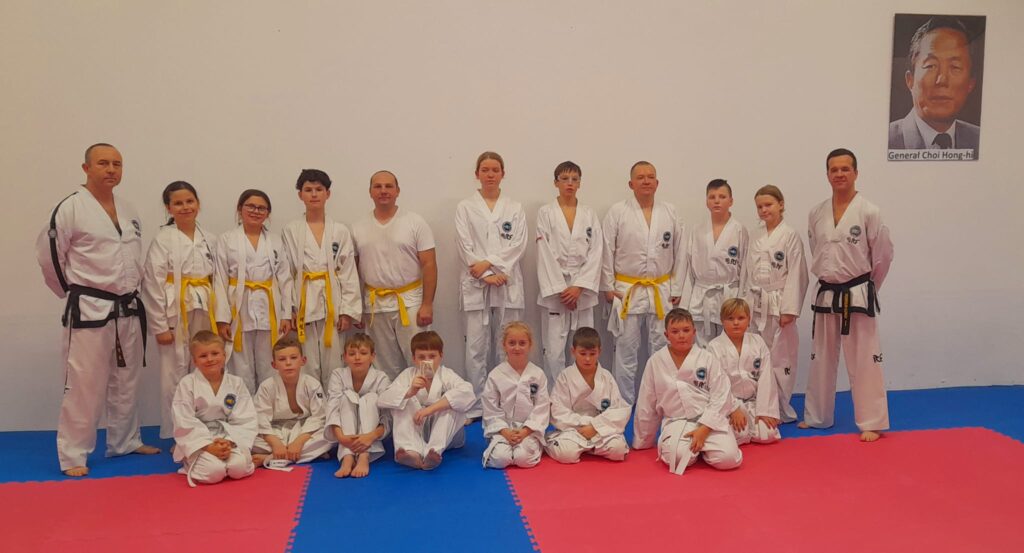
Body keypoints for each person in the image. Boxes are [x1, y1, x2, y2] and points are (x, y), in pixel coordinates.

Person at [36, 143, 160, 477]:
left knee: (127, 379)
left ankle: (125, 440)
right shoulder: (70, 208)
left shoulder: (128, 208)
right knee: (84, 383)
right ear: (86, 168)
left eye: (117, 164)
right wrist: (74, 292)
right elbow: (50, 258)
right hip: (90, 306)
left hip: (128, 306)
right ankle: (73, 454)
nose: (111, 169)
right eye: (103, 163)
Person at [800, 149, 894, 442]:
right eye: (834, 169)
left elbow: (883, 256)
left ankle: (872, 421)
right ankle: (817, 416)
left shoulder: (869, 211)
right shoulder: (816, 213)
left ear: (856, 173)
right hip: (827, 292)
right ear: (827, 174)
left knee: (865, 359)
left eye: (845, 169)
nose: (839, 174)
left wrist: (867, 287)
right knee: (820, 358)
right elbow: (817, 250)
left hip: (857, 292)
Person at [142, 181, 230, 439]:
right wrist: (159, 326)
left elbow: (220, 279)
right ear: (168, 208)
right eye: (178, 203)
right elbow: (152, 282)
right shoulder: (163, 239)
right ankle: (176, 432)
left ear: (198, 204)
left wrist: (222, 317)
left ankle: (206, 428)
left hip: (205, 306)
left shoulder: (210, 239)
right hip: (175, 310)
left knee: (206, 365)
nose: (185, 207)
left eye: (189, 201)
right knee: (174, 373)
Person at [601, 161, 685, 404]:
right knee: (625, 351)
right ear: (631, 184)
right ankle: (623, 403)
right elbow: (606, 249)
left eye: (650, 177)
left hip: (661, 288)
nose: (646, 181)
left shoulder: (670, 212)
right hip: (626, 290)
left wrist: (677, 287)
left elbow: (680, 251)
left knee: (662, 350)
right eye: (640, 177)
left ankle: (662, 402)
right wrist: (608, 286)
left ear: (657, 183)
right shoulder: (618, 212)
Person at [454, 152, 527, 419]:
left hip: (507, 282)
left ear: (503, 174)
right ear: (477, 174)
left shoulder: (514, 207)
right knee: (475, 347)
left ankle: (506, 403)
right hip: (476, 283)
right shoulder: (465, 207)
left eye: (495, 170)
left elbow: (518, 244)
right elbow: (463, 244)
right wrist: (484, 274)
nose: (490, 174)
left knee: (507, 344)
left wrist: (491, 265)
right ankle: (476, 404)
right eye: (485, 170)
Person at [632, 308, 741, 475]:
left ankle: (703, 447)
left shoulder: (707, 358)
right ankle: (699, 450)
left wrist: (704, 429)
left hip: (708, 421)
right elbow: (647, 402)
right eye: (675, 332)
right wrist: (642, 440)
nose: (681, 335)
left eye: (686, 330)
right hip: (677, 422)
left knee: (729, 459)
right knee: (677, 458)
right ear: (666, 335)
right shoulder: (655, 362)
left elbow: (721, 394)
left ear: (694, 332)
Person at [351, 170, 437, 380]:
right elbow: (353, 271)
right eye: (378, 186)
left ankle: (428, 396)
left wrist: (427, 304)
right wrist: (356, 308)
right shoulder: (357, 227)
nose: (383, 191)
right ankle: (389, 399)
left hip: (410, 301)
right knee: (383, 364)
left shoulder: (415, 222)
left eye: (389, 186)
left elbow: (429, 264)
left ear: (398, 191)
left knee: (422, 356)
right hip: (375, 305)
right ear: (370, 192)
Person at [281, 169, 362, 389]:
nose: (314, 194)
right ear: (300, 195)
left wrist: (347, 310)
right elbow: (286, 273)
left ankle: (335, 405)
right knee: (306, 362)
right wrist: (290, 308)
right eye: (308, 190)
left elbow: (348, 272)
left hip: (332, 302)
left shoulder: (340, 230)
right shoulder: (290, 230)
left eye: (319, 189)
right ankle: (311, 404)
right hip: (303, 301)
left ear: (328, 194)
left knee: (335, 361)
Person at [216, 189, 294, 395]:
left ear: (268, 213)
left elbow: (285, 279)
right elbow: (220, 279)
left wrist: (286, 314)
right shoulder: (227, 239)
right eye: (250, 206)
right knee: (240, 366)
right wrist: (222, 319)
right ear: (240, 209)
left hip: (269, 306)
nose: (256, 211)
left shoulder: (275, 241)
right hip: (238, 306)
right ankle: (244, 410)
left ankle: (269, 408)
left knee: (269, 364)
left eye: (261, 208)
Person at [745, 185, 808, 422]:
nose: (764, 210)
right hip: (756, 302)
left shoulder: (790, 235)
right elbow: (746, 272)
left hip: (780, 302)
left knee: (781, 357)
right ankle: (758, 405)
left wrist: (789, 309)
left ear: (781, 204)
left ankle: (780, 407)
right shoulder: (754, 235)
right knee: (756, 355)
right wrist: (744, 304)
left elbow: (797, 273)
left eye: (768, 205)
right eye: (759, 206)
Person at [535, 161, 603, 380]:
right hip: (556, 291)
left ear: (580, 183)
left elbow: (596, 251)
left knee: (585, 347)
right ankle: (555, 396)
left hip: (582, 291)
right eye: (564, 179)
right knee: (553, 351)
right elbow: (544, 253)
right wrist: (561, 289)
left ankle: (584, 392)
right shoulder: (546, 213)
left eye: (574, 179)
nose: (570, 183)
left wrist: (579, 287)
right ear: (556, 182)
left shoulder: (589, 214)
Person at [378, 331, 475, 470]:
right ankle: (410, 451)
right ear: (414, 358)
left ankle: (433, 451)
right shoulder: (408, 375)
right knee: (403, 401)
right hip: (416, 431)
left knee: (453, 404)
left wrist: (430, 409)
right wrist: (409, 392)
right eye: (421, 357)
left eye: (432, 356)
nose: (427, 361)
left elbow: (468, 393)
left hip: (445, 436)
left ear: (441, 356)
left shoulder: (446, 374)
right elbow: (382, 399)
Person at [171, 331, 257, 487]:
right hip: (199, 439)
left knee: (238, 468)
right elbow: (184, 420)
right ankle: (191, 462)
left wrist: (228, 442)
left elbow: (246, 417)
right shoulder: (187, 384)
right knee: (213, 472)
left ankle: (225, 454)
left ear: (224, 355)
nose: (210, 359)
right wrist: (208, 446)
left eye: (215, 353)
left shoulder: (236, 383)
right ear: (194, 361)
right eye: (203, 356)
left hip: (229, 435)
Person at [888, 17, 981, 156]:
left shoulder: (981, 140)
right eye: (931, 66)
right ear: (910, 80)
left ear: (970, 84)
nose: (942, 80)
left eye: (955, 67)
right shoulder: (887, 139)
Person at [545, 327, 630, 464]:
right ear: (573, 351)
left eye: (592, 353)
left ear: (599, 352)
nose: (588, 358)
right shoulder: (565, 376)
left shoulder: (606, 377)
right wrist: (584, 424)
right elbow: (558, 410)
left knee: (618, 450)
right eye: (583, 353)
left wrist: (595, 426)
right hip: (574, 429)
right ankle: (587, 448)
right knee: (567, 454)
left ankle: (588, 448)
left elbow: (617, 409)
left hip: (600, 429)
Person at [707, 299, 781, 445]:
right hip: (729, 404)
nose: (736, 323)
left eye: (741, 318)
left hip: (754, 402)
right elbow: (717, 384)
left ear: (749, 319)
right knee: (740, 434)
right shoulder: (714, 347)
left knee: (768, 434)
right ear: (722, 320)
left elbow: (767, 378)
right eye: (730, 318)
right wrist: (733, 409)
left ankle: (752, 424)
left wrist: (765, 411)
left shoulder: (758, 341)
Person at [251, 335, 333, 467]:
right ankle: (294, 454)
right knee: (248, 437)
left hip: (303, 430)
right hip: (275, 431)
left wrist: (299, 442)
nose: (288, 363)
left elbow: (320, 417)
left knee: (330, 435)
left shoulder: (312, 384)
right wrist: (275, 443)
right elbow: (260, 419)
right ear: (274, 364)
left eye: (293, 358)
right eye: (282, 359)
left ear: (303, 360)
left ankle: (271, 457)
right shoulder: (267, 386)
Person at [684, 179, 748, 346]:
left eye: (722, 197)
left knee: (728, 346)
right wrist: (686, 301)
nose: (717, 201)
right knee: (701, 348)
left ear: (731, 201)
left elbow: (745, 270)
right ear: (707, 202)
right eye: (712, 197)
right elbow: (689, 268)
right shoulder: (697, 230)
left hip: (729, 295)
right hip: (701, 296)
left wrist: (742, 300)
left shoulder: (739, 230)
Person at [481, 322, 550, 469]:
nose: (517, 348)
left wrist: (526, 431)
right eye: (512, 343)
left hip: (528, 430)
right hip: (503, 428)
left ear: (530, 345)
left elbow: (542, 407)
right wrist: (504, 431)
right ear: (504, 345)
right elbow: (490, 408)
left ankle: (532, 444)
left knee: (523, 459)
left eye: (522, 343)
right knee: (500, 459)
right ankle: (499, 444)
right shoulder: (496, 375)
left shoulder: (538, 374)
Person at [325, 333, 391, 478]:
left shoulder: (381, 378)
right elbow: (332, 408)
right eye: (352, 353)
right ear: (344, 357)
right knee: (345, 397)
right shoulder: (338, 375)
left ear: (372, 356)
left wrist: (370, 436)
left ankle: (363, 456)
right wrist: (341, 437)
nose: (357, 357)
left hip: (370, 437)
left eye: (363, 353)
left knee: (371, 398)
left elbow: (387, 416)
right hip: (345, 435)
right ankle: (347, 457)